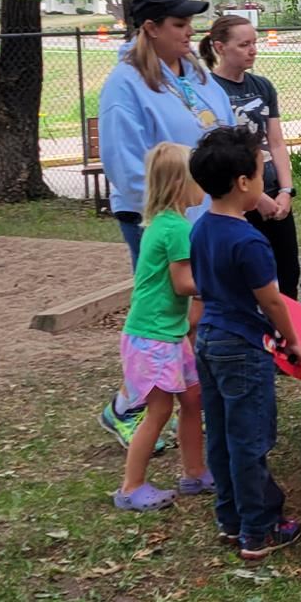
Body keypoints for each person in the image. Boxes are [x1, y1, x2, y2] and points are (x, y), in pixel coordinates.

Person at [96, 0, 233, 446]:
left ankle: (187, 408)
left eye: (188, 22)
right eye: (178, 24)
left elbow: (220, 127)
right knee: (164, 319)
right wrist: (169, 215)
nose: (188, 31)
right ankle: (127, 408)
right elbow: (124, 162)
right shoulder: (125, 84)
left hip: (204, 214)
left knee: (197, 315)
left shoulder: (193, 73)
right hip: (159, 220)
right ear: (150, 29)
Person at [188, 125, 301, 559]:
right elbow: (273, 301)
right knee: (250, 438)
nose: (266, 178)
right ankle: (259, 529)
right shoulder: (250, 240)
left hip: (209, 341)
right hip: (242, 348)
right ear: (244, 183)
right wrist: (292, 341)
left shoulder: (201, 228)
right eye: (262, 172)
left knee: (219, 435)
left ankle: (230, 517)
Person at [112, 143, 210, 513]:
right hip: (153, 337)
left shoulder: (165, 223)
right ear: (180, 184)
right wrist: (220, 283)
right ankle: (131, 486)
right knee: (158, 411)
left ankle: (195, 471)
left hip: (167, 333)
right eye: (196, 177)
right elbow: (184, 283)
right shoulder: (176, 229)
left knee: (192, 397)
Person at [200, 15, 299, 300]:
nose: (252, 50)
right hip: (239, 200)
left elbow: (277, 142)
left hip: (273, 194)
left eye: (254, 43)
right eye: (243, 44)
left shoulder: (262, 86)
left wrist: (285, 191)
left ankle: (288, 335)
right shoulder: (210, 90)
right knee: (250, 276)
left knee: (287, 273)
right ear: (220, 47)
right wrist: (257, 199)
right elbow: (220, 151)